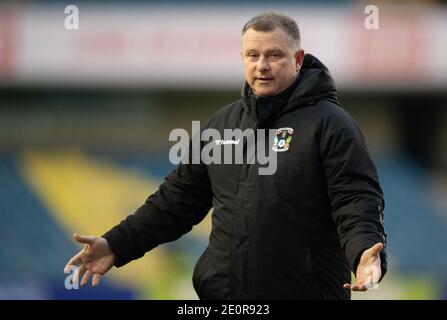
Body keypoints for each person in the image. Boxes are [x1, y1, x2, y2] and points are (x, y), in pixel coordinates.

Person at [64, 12, 388, 300]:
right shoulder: (221, 125)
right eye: (253, 54)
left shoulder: (331, 124)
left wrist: (365, 254)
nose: (262, 65)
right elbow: (174, 203)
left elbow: (355, 200)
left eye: (274, 54)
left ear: (298, 59)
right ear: (243, 58)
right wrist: (117, 244)